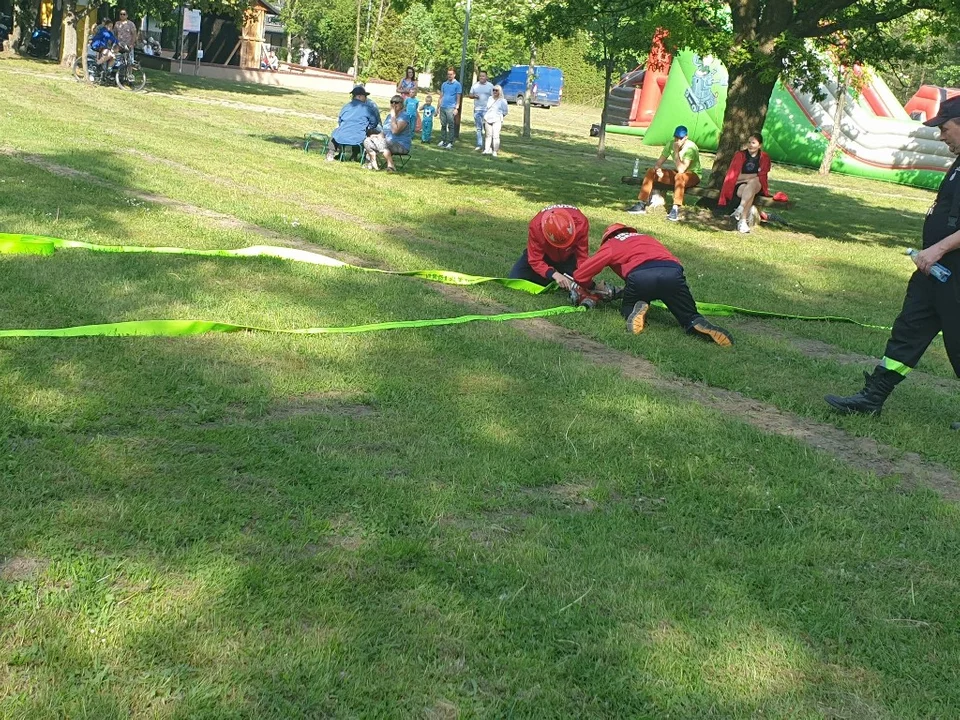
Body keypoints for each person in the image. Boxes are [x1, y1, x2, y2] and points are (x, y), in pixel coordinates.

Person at [825, 96, 960, 424]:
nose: (941, 136)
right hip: (934, 272)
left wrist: (938, 249)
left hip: (952, 273)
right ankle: (873, 397)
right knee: (909, 330)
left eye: (945, 129)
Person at [572, 223, 733, 346]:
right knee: (688, 314)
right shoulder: (647, 238)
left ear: (608, 237)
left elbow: (580, 274)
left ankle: (636, 310)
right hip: (672, 273)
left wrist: (591, 286)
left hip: (640, 277)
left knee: (629, 305)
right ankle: (696, 322)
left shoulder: (612, 244)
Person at [627, 125, 701, 222]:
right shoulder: (670, 144)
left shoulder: (691, 148)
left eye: (680, 138)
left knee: (679, 176)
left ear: (686, 137)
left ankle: (675, 209)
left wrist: (676, 152)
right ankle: (641, 203)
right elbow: (658, 163)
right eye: (676, 137)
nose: (677, 140)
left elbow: (681, 169)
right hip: (678, 174)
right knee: (651, 171)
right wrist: (658, 170)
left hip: (692, 175)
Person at [508, 205, 590, 289]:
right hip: (545, 256)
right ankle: (551, 276)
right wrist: (553, 274)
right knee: (515, 278)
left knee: (583, 285)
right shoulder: (536, 226)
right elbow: (535, 259)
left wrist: (582, 276)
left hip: (569, 257)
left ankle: (555, 277)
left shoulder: (581, 223)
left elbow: (582, 256)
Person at [718, 132, 771, 233]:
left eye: (753, 143)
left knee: (754, 182)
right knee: (750, 188)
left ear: (759, 145)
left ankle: (740, 209)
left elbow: (762, 176)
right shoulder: (740, 155)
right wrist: (751, 177)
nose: (750, 145)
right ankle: (742, 220)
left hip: (758, 185)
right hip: (741, 186)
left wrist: (750, 178)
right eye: (749, 142)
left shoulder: (764, 157)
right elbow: (735, 176)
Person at [326, 86, 382, 162]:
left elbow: (340, 121)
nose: (366, 98)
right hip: (358, 137)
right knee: (363, 133)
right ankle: (356, 156)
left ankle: (330, 153)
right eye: (365, 96)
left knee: (335, 133)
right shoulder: (367, 108)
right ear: (359, 96)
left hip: (341, 136)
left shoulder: (346, 107)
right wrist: (367, 127)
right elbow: (374, 123)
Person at [363, 95, 413, 172]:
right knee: (368, 140)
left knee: (381, 143)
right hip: (387, 142)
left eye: (396, 102)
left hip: (401, 145)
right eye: (392, 102)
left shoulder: (404, 116)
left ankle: (391, 165)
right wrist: (377, 136)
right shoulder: (389, 116)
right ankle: (372, 162)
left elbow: (395, 131)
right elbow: (385, 132)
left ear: (402, 105)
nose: (394, 104)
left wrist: (393, 116)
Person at [468, 70, 494, 151]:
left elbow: (494, 97)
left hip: (487, 110)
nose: (481, 77)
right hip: (477, 110)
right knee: (479, 128)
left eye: (483, 76)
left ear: (486, 77)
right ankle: (479, 144)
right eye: (480, 76)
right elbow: (470, 95)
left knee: (487, 128)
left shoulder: (490, 86)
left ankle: (488, 146)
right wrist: (474, 96)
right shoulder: (475, 85)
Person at [437, 67, 462, 149]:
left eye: (451, 74)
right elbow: (441, 96)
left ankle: (450, 142)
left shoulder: (457, 85)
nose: (449, 76)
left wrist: (456, 108)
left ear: (454, 75)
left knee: (451, 125)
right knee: (443, 124)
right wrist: (438, 107)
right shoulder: (444, 84)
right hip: (443, 106)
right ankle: (443, 140)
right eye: (448, 74)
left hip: (451, 107)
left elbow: (458, 97)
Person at [482, 85, 508, 157]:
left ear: (500, 91)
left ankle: (495, 151)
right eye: (493, 90)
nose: (494, 92)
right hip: (488, 118)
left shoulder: (503, 101)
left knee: (496, 136)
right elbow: (487, 108)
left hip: (497, 119)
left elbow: (505, 111)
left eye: (496, 90)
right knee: (488, 135)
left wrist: (500, 116)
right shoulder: (490, 98)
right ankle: (487, 149)